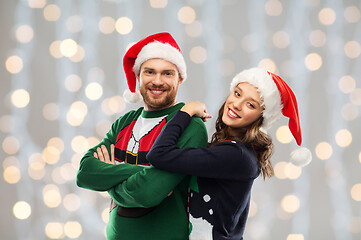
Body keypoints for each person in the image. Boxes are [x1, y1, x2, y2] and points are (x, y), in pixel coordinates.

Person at [147, 67, 312, 239]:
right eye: (237, 94)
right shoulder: (231, 149)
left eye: (250, 105)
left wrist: (186, 112)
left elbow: (158, 154)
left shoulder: (235, 155)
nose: (237, 104)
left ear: (260, 117)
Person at [76, 32, 208, 239]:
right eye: (149, 72)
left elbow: (148, 192)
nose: (157, 81)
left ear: (180, 79)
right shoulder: (124, 122)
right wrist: (143, 172)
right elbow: (85, 173)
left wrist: (110, 177)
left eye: (167, 73)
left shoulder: (189, 125)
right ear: (138, 76)